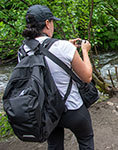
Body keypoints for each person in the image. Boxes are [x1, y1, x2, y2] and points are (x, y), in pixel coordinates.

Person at [21, 5, 94, 150]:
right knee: (86, 139)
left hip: (47, 111)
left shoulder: (23, 50)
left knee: (54, 145)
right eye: (52, 22)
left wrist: (67, 45)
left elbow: (42, 55)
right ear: (47, 23)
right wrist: (84, 51)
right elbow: (87, 77)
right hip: (72, 109)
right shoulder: (63, 47)